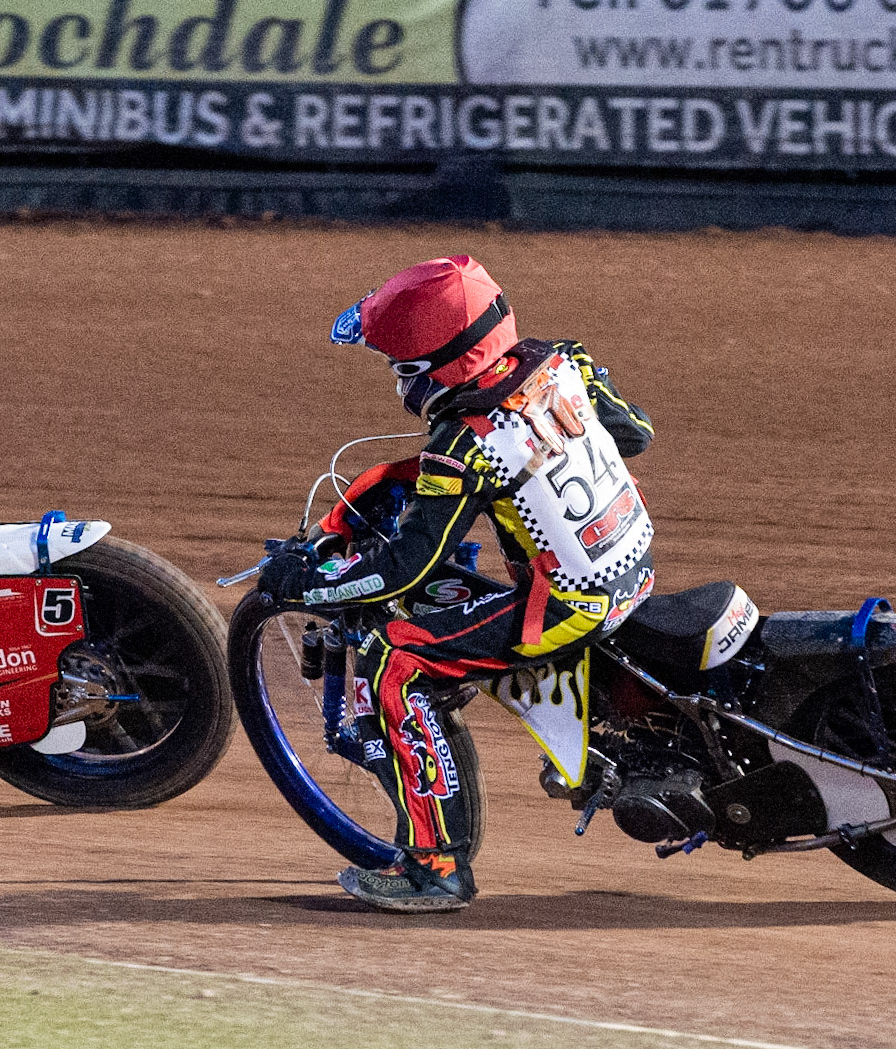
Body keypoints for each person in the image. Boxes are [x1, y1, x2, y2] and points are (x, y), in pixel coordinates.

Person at [259, 256, 656, 912]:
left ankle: (436, 868)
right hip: (634, 565)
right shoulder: (561, 361)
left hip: (570, 603)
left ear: (428, 368)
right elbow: (634, 433)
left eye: (396, 364)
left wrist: (307, 583)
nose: (394, 375)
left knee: (396, 656)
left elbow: (405, 568)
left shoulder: (465, 445)